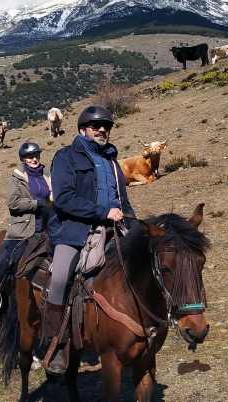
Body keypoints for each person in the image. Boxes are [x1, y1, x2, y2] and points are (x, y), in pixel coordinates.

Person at [44, 105, 136, 375]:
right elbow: (63, 199)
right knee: (61, 277)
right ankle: (58, 343)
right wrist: (102, 211)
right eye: (96, 126)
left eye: (106, 126)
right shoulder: (66, 157)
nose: (102, 130)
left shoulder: (112, 162)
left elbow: (124, 200)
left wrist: (132, 224)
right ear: (83, 130)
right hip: (74, 230)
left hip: (114, 228)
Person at [0, 142, 51, 311]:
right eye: (30, 157)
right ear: (23, 159)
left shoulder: (46, 174)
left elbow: (54, 194)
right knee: (12, 255)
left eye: (36, 156)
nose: (34, 159)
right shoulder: (17, 177)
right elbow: (13, 203)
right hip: (24, 226)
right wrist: (37, 204)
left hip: (47, 222)